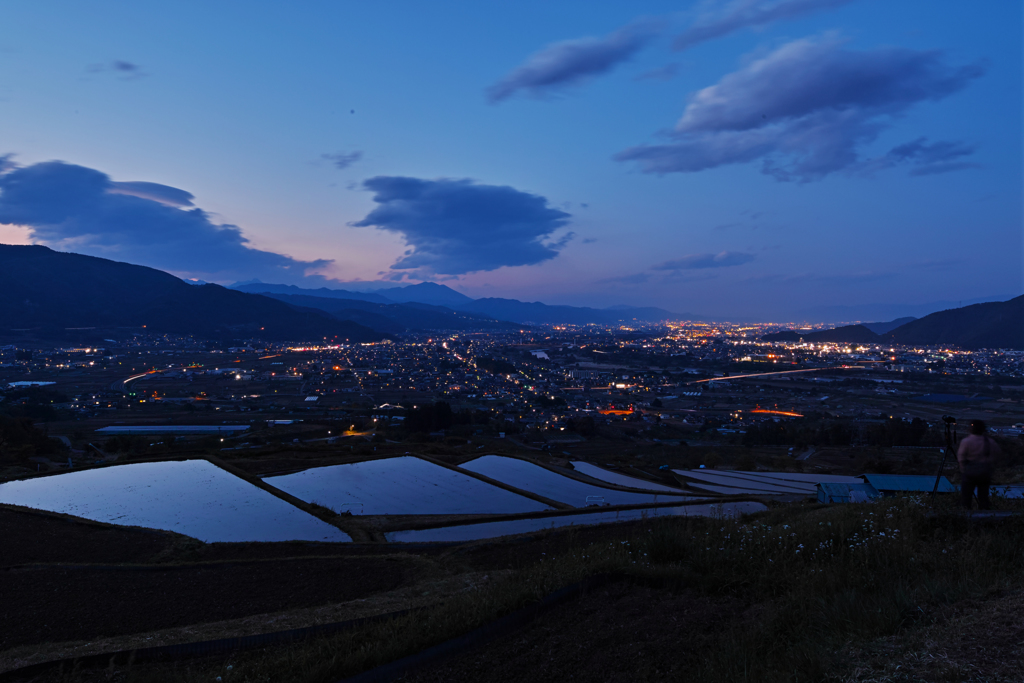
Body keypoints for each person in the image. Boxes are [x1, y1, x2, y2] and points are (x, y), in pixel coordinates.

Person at [956, 419, 1000, 510]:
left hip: (970, 472)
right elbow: (997, 454)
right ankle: (985, 518)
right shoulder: (990, 441)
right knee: (983, 497)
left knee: (966, 498)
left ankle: (966, 517)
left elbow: (961, 457)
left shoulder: (966, 441)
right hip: (985, 472)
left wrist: (963, 469)